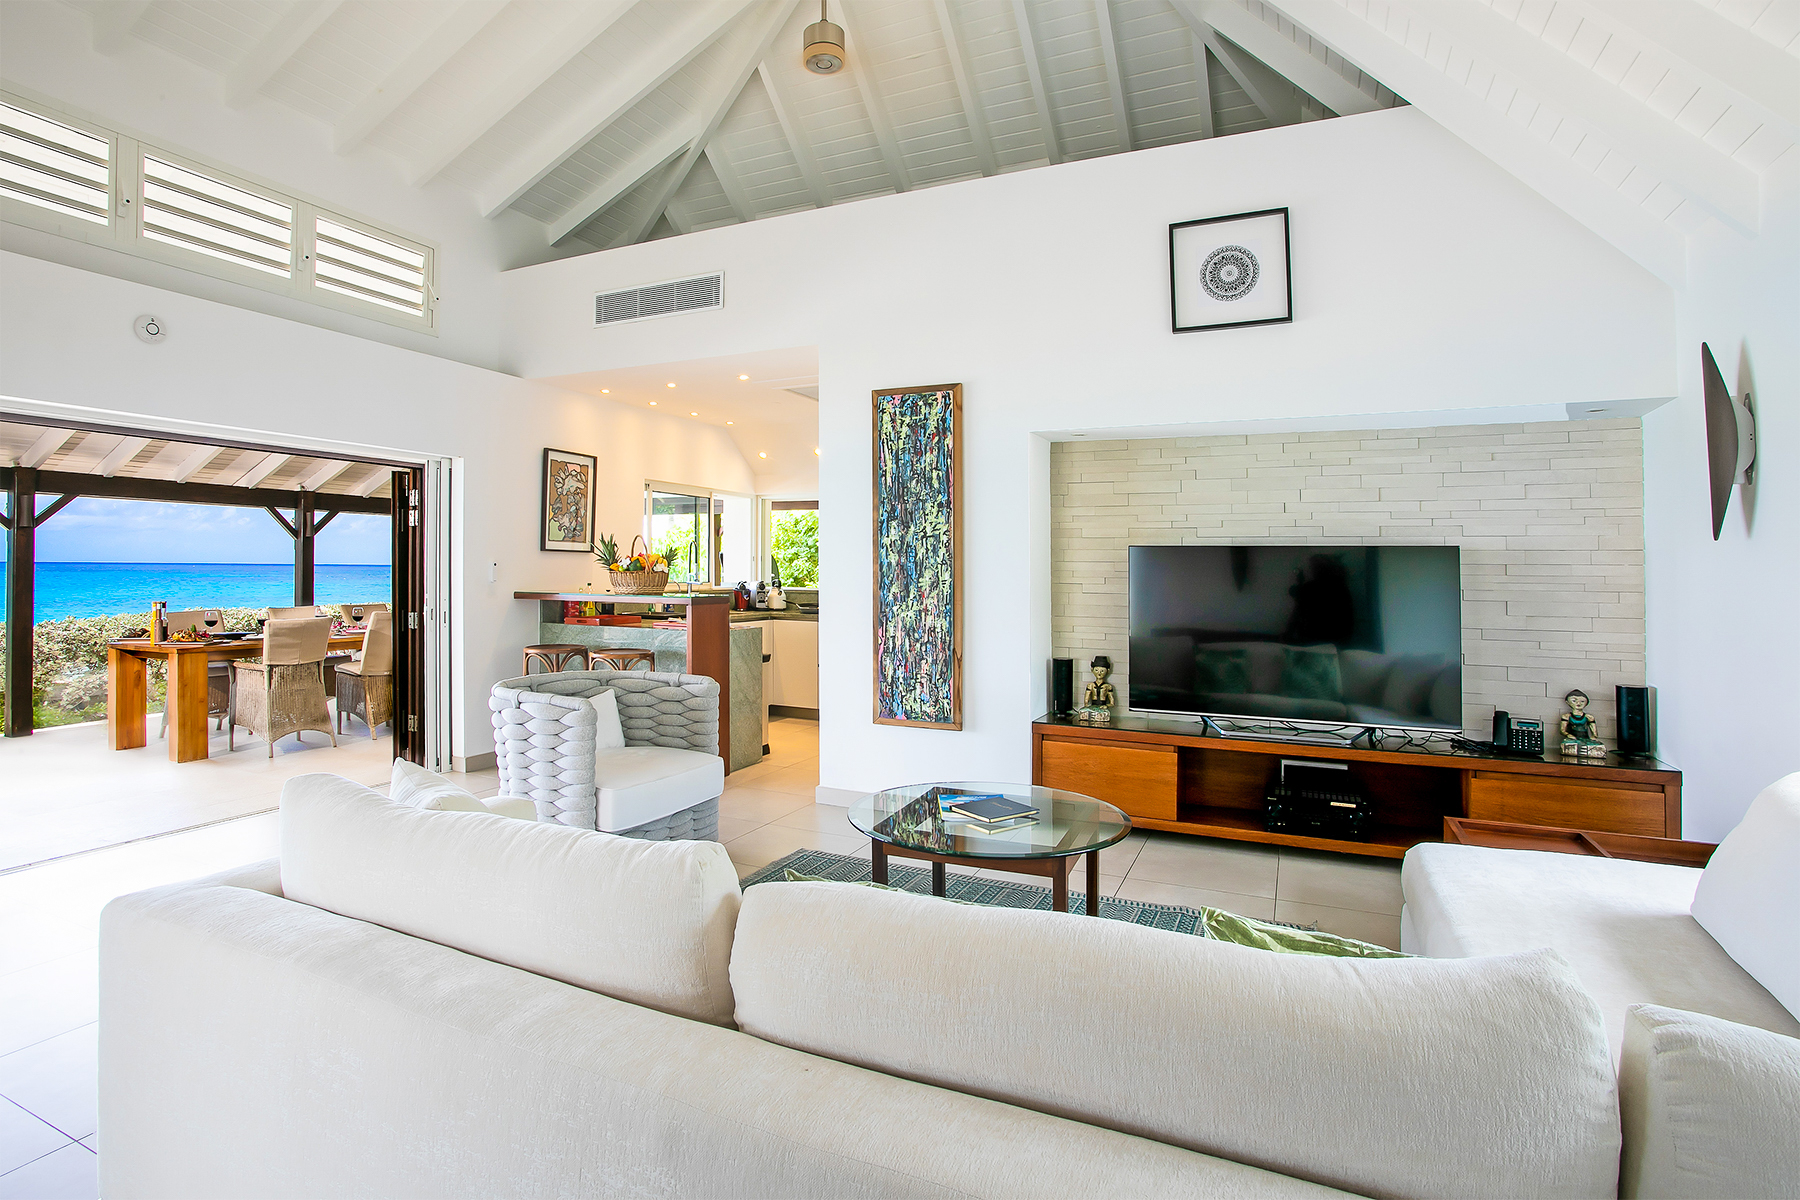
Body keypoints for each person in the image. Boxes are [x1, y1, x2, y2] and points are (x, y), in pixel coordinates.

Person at [1560, 689, 1605, 758]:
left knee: (1595, 747)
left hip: (1586, 738)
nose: (1578, 703)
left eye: (1582, 701)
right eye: (1574, 701)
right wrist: (1568, 735)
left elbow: (1594, 733)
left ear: (1586, 703)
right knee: (1569, 745)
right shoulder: (1566, 716)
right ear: (1567, 702)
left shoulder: (1589, 717)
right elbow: (1562, 730)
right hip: (1573, 738)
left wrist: (1594, 737)